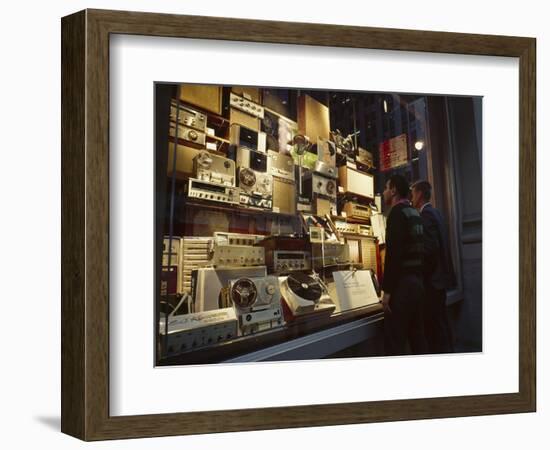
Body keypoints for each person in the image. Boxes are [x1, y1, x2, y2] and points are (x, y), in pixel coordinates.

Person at [381, 175, 427, 356]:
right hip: (417, 284)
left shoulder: (396, 214)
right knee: (417, 338)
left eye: (386, 187)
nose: (383, 192)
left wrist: (387, 292)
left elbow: (394, 255)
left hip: (402, 287)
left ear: (393, 190)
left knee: (395, 343)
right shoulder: (415, 212)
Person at [411, 180, 456, 353]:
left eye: (413, 193)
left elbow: (430, 248)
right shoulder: (436, 213)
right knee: (442, 324)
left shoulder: (425, 215)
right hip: (441, 280)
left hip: (432, 282)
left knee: (434, 330)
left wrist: (419, 273)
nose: (412, 197)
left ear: (420, 194)